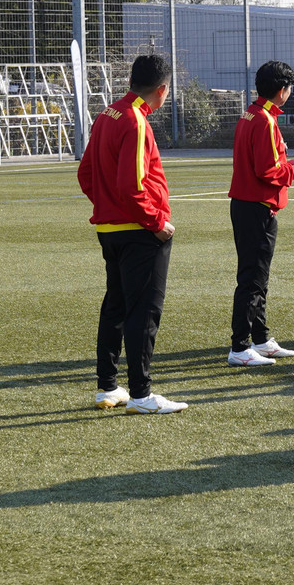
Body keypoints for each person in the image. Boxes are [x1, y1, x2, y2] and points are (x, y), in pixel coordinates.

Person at [76, 54, 186, 415]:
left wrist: (106, 205)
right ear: (163, 89)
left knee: (116, 306)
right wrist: (156, 222)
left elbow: (86, 174)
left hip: (110, 229)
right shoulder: (136, 121)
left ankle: (108, 386)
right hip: (138, 231)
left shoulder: (108, 114)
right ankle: (141, 394)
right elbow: (132, 185)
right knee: (144, 311)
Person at [226, 60, 294, 367]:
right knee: (252, 279)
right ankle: (239, 346)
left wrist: (288, 165)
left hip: (250, 205)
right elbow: (267, 170)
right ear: (283, 90)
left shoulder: (252, 113)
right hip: (256, 207)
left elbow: (264, 163)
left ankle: (260, 339)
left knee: (258, 277)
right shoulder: (264, 119)